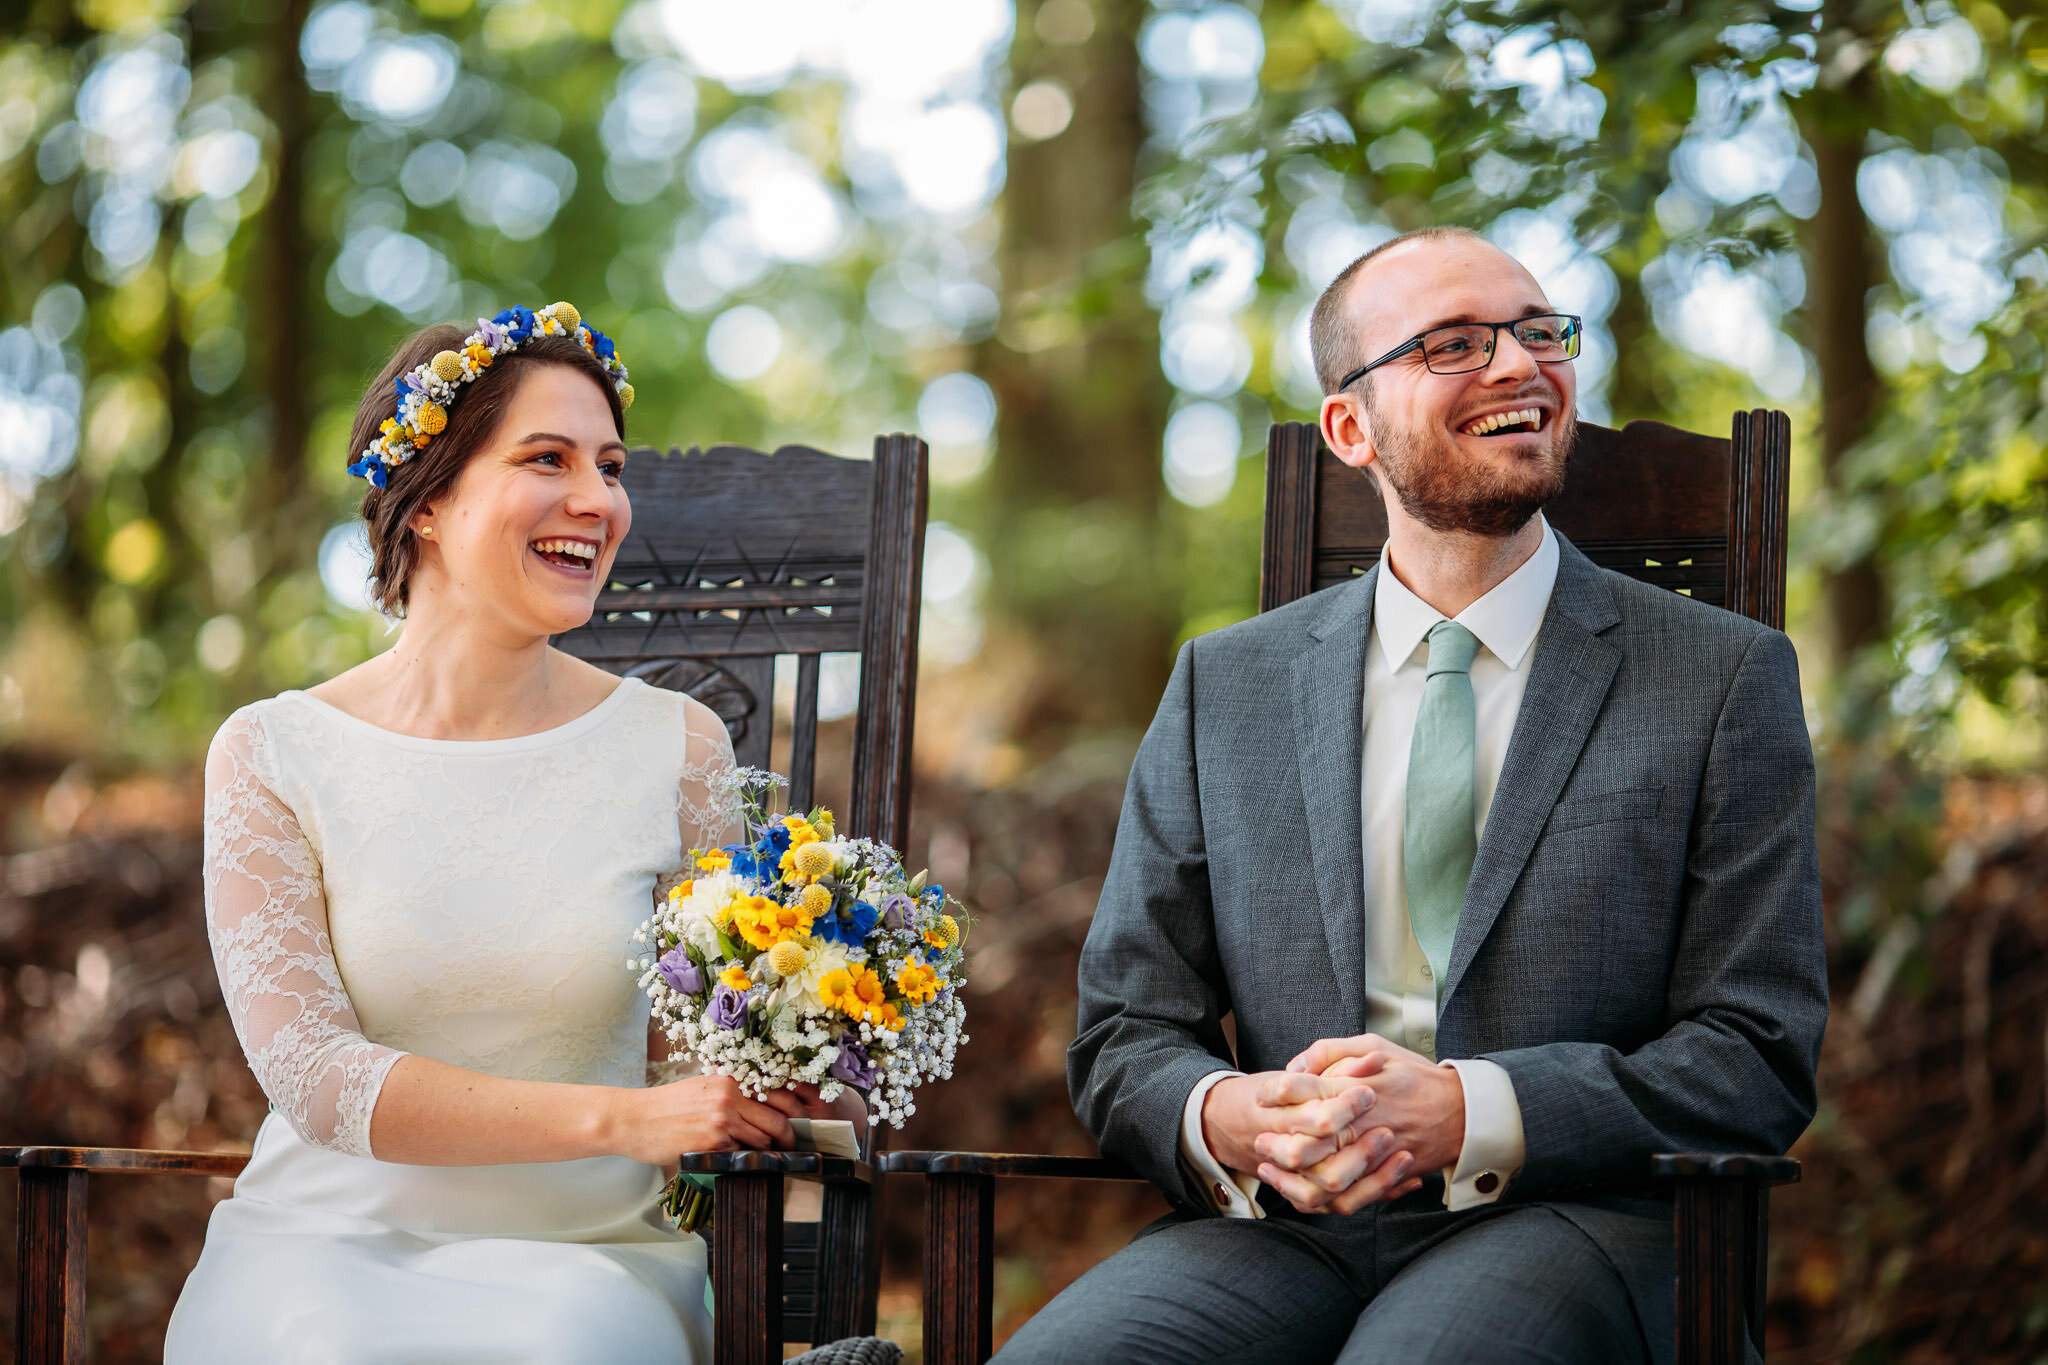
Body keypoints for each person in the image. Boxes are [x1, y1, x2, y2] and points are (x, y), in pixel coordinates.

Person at [993, 228, 1828, 1364]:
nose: (1518, 364)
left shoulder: (1721, 677)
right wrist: (1227, 1117)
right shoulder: (1221, 686)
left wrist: (1469, 1109)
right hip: (1280, 1230)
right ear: (1349, 427)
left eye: (1539, 332)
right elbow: (1127, 1030)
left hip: (1576, 1219)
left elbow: (1755, 1050)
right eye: (1452, 343)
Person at [165, 303, 857, 1363]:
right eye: (548, 458)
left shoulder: (679, 748)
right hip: (315, 1252)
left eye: (611, 467)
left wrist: (792, 1076)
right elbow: (315, 1076)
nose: (598, 501)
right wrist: (622, 1121)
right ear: (430, 500)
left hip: (588, 1265)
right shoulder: (271, 752)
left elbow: (698, 1060)